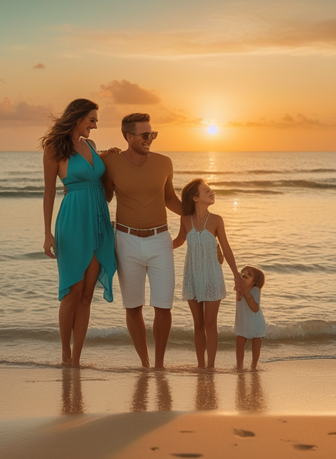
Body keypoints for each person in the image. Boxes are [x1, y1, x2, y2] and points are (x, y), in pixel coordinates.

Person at [41, 98, 117, 368]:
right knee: (72, 291)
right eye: (92, 120)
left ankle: (77, 357)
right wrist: (47, 233)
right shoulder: (54, 148)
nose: (95, 126)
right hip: (72, 220)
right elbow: (49, 191)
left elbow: (100, 180)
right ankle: (64, 352)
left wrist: (108, 158)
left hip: (99, 219)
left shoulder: (92, 146)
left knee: (87, 294)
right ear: (78, 117)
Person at [102, 113, 182, 369]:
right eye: (145, 135)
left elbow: (170, 199)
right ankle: (145, 364)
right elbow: (104, 197)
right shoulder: (111, 163)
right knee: (133, 306)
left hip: (160, 240)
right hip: (125, 240)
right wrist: (96, 161)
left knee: (163, 306)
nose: (150, 139)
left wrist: (198, 215)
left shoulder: (164, 162)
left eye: (153, 134)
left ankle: (159, 364)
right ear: (128, 136)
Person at [173, 179, 244, 368]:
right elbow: (179, 240)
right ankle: (200, 366)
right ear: (195, 197)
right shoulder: (185, 219)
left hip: (212, 276)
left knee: (210, 323)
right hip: (192, 276)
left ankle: (210, 367)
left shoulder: (216, 220)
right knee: (198, 324)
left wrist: (236, 275)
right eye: (206, 191)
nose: (212, 193)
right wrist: (156, 248)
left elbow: (227, 249)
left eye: (211, 190)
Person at [235, 266, 266, 370]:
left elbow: (255, 308)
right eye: (243, 272)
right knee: (239, 345)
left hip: (256, 324)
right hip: (243, 323)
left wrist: (247, 295)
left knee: (256, 348)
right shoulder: (239, 288)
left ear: (254, 282)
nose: (245, 274)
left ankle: (253, 366)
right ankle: (239, 366)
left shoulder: (255, 290)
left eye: (249, 274)